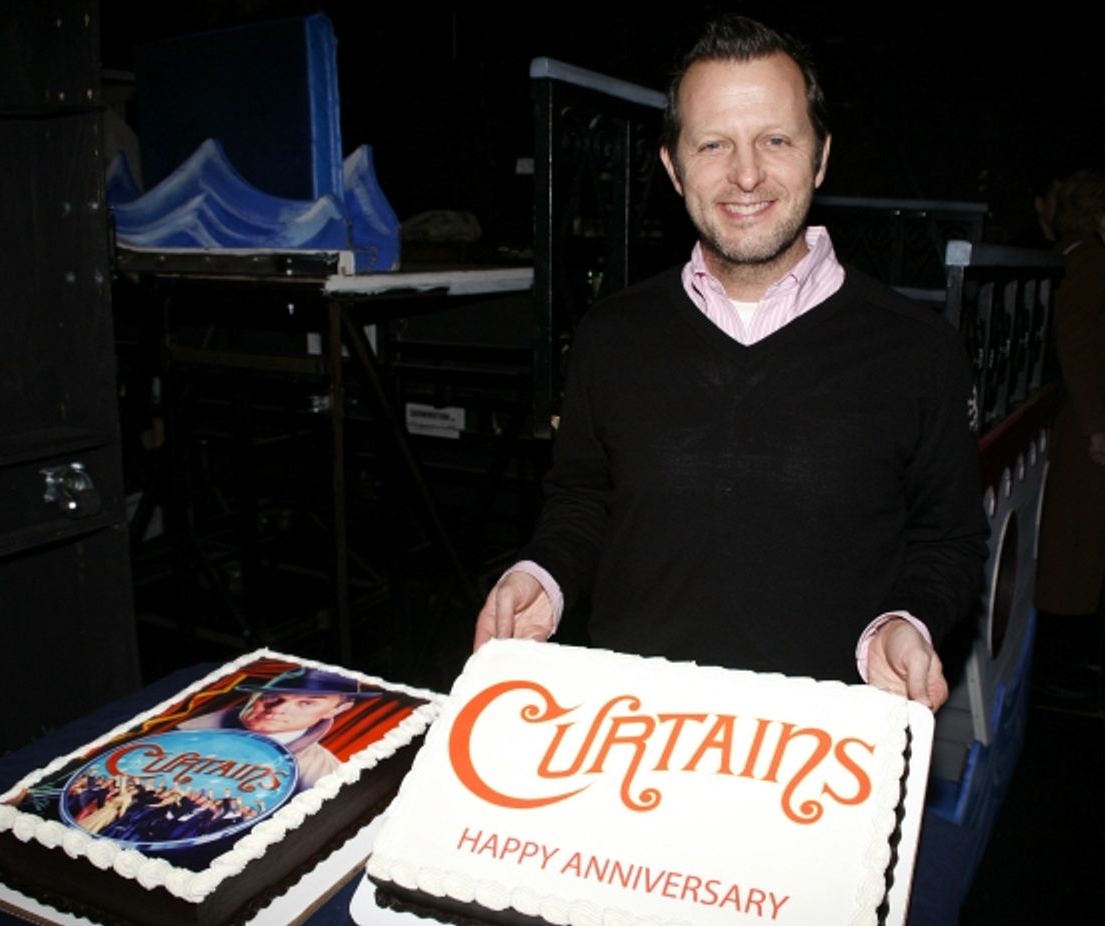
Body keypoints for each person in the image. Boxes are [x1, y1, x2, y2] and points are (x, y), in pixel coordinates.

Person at [474, 15, 987, 712]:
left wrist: (905, 621)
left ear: (821, 157)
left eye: (775, 140)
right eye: (714, 144)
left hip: (823, 746)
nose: (746, 174)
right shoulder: (611, 334)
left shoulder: (918, 349)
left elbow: (947, 536)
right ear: (672, 167)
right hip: (629, 730)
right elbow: (583, 500)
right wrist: (545, 573)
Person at [1033, 168, 1105, 708]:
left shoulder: (1081, 257)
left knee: (1079, 543)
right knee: (1070, 545)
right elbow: (1079, 348)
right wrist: (1097, 425)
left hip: (1083, 421)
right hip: (1083, 426)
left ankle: (1063, 659)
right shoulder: (1085, 260)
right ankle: (1053, 666)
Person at [178, 666, 380, 789]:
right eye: (272, 695)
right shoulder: (183, 730)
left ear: (335, 710)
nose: (277, 709)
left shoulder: (322, 774)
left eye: (307, 703)